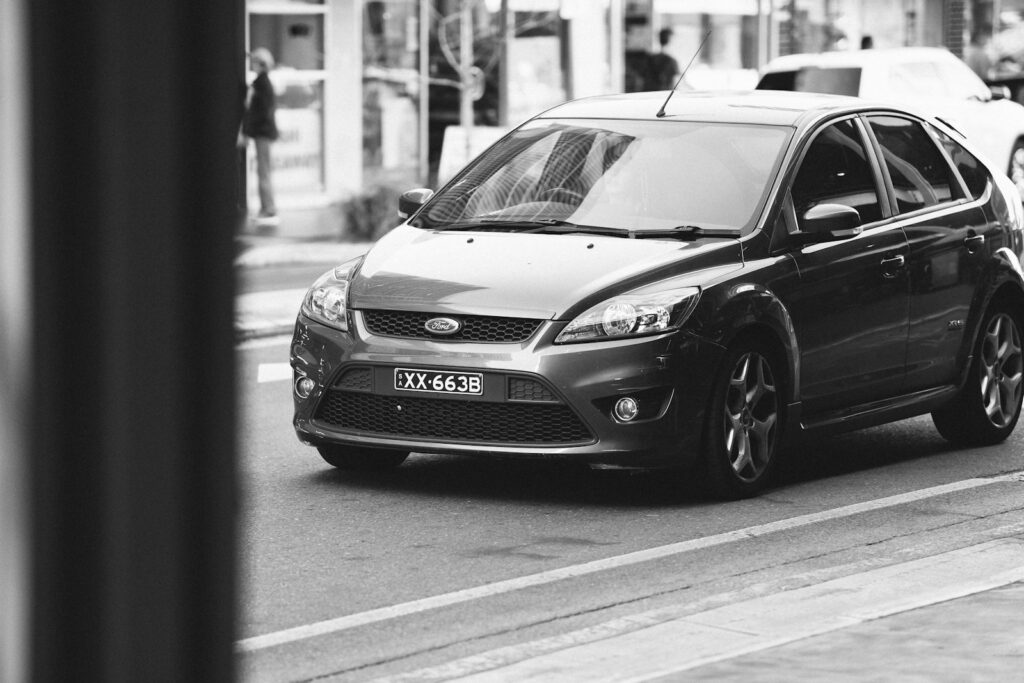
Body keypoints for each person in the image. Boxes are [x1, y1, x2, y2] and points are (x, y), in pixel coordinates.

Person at [239, 47, 279, 225]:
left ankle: (268, 209)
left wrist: (247, 132)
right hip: (263, 133)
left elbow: (258, 113)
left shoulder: (261, 85)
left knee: (263, 172)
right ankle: (267, 208)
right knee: (264, 171)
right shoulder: (262, 83)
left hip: (262, 133)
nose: (251, 64)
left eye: (254, 61)